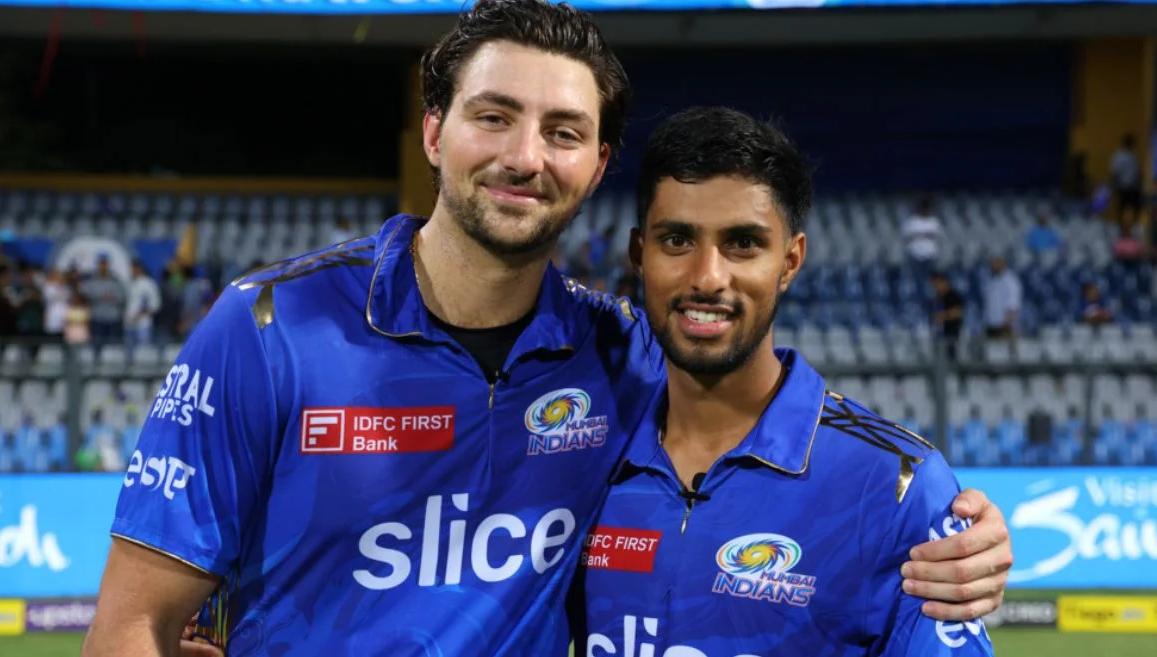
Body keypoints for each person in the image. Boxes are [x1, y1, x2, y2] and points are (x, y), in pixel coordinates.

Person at [83, 2, 1013, 656]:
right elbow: (133, 625)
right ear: (435, 131)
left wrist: (957, 527)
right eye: (496, 117)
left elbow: (764, 416)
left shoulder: (626, 354)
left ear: (599, 163)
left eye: (563, 132)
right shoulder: (267, 327)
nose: (526, 157)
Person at [575, 107, 998, 657]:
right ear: (639, 255)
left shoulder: (894, 486)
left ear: (790, 260)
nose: (707, 277)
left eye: (743, 243)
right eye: (677, 240)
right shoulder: (581, 453)